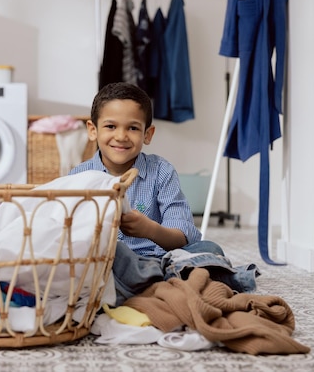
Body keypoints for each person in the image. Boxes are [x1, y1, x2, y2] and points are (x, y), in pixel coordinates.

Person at [69, 82, 225, 304]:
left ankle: (151, 285)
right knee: (106, 260)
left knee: (210, 249)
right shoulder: (78, 176)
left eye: (132, 128)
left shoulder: (161, 171)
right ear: (93, 130)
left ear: (147, 134)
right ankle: (162, 286)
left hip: (159, 259)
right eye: (111, 126)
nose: (121, 136)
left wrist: (150, 229)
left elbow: (183, 234)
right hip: (110, 263)